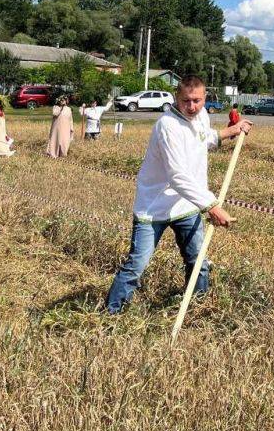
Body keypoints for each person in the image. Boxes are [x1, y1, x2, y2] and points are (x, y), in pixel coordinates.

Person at [106, 75, 253, 315]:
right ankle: (111, 314)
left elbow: (204, 140)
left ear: (205, 98)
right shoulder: (167, 126)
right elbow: (177, 175)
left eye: (197, 100)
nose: (192, 106)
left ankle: (198, 308)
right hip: (154, 207)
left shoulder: (201, 116)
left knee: (198, 263)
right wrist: (212, 206)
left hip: (186, 204)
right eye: (186, 101)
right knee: (136, 265)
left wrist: (233, 130)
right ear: (177, 98)